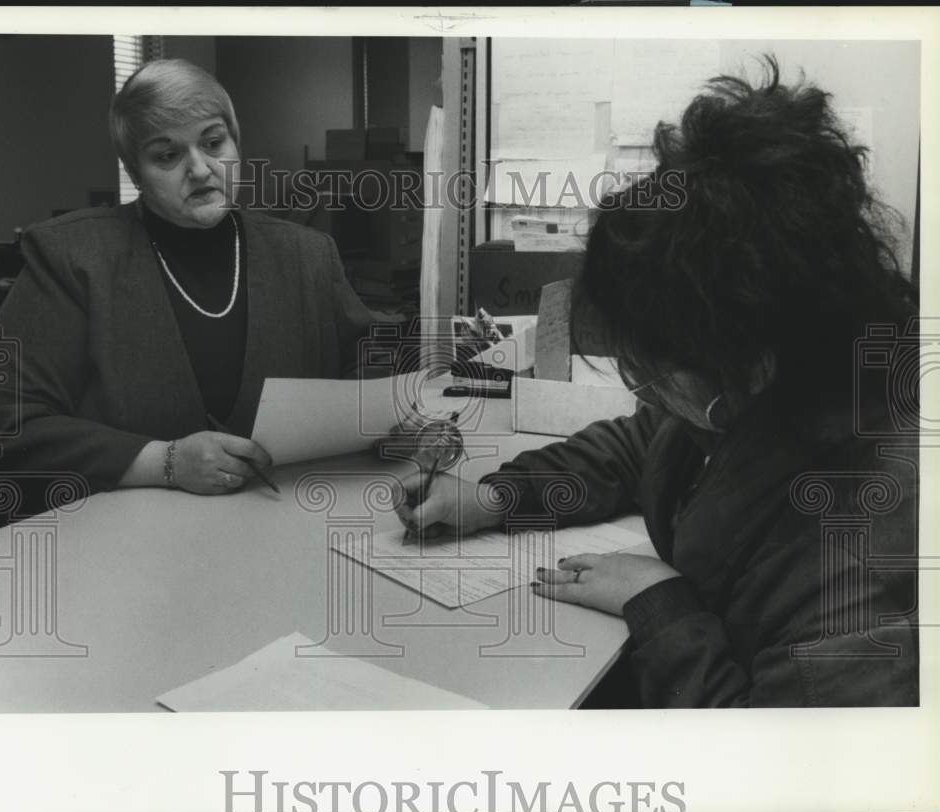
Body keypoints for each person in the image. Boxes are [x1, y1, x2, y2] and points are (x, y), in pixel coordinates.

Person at [393, 57, 919, 707]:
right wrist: (494, 497)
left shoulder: (861, 553)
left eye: (650, 371)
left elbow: (766, 774)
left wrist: (659, 603)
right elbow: (640, 445)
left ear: (751, 365)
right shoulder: (746, 394)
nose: (640, 391)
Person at [0, 59, 381, 526]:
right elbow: (1, 420)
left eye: (213, 142)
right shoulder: (73, 256)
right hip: (124, 539)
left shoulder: (305, 252)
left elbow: (370, 362)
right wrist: (164, 462)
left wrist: (406, 420)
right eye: (167, 156)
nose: (200, 169)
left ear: (236, 143)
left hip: (283, 523)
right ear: (135, 171)